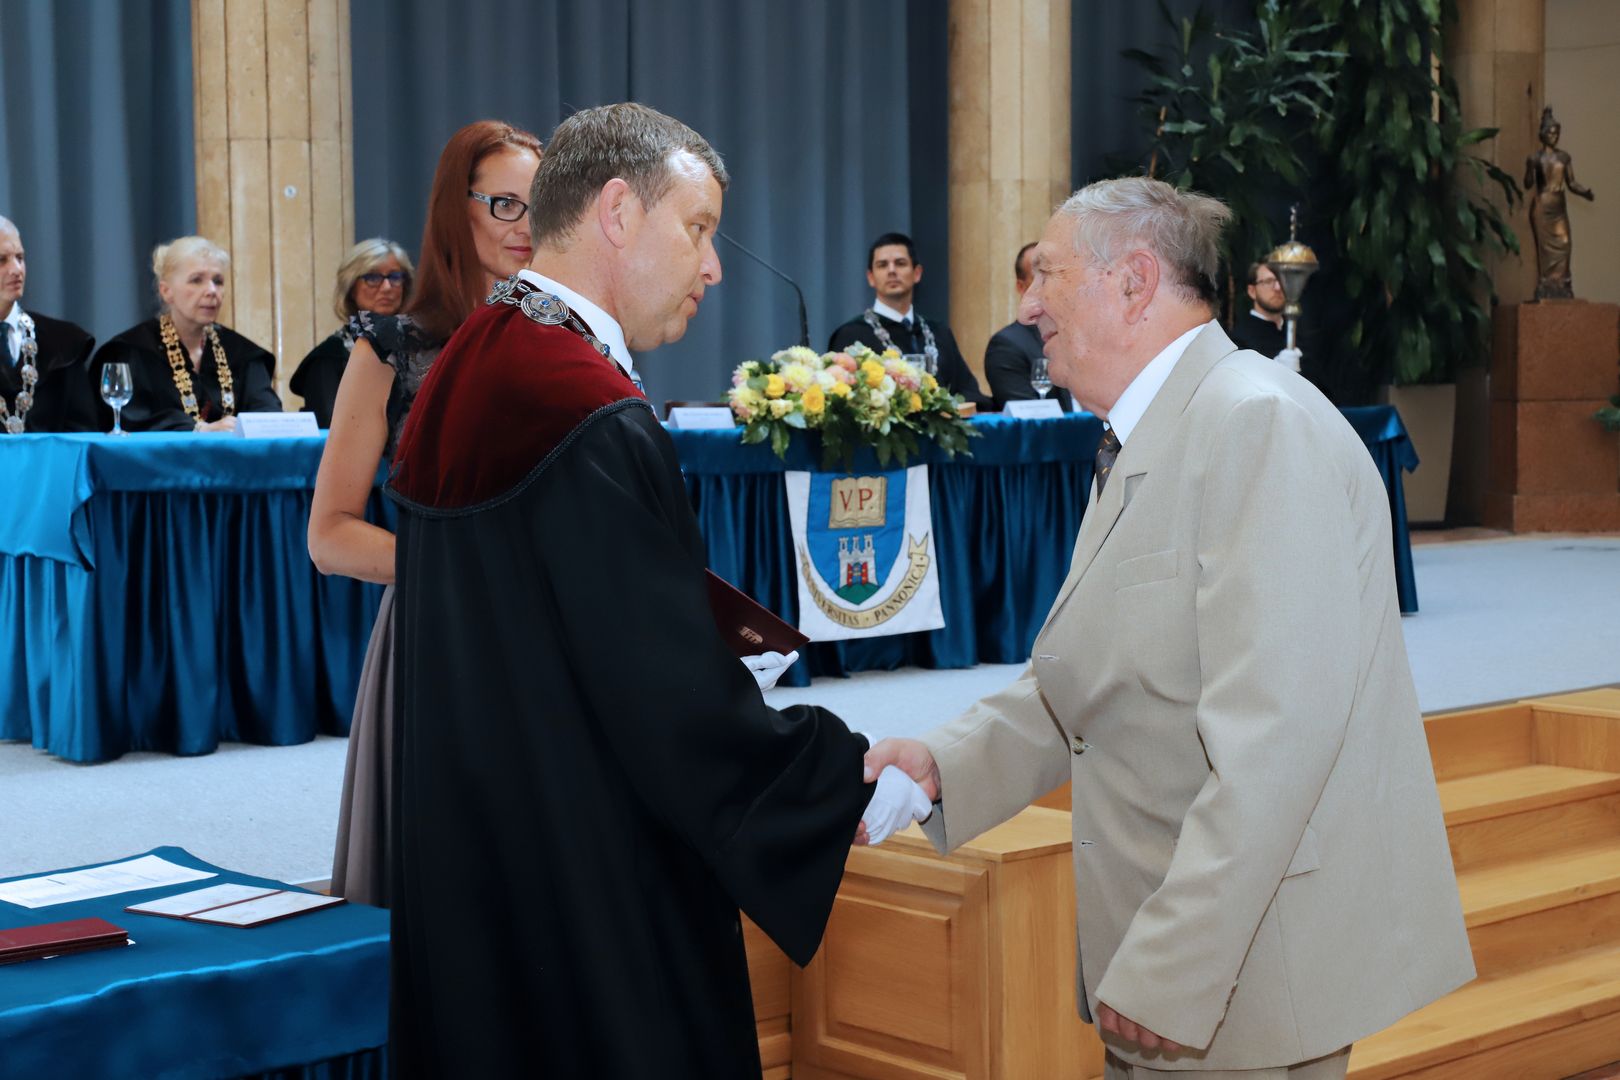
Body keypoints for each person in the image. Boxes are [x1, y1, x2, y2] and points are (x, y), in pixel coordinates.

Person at [864, 177, 1474, 1078]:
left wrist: (1174, 963)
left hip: (1239, 976)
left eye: (1048, 276)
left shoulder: (1254, 425)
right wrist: (944, 763)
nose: (1027, 306)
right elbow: (1100, 672)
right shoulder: (1153, 430)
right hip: (1174, 948)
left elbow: (1275, 736)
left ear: (1134, 281)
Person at [385, 102, 912, 1079]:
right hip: (587, 879)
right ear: (619, 212)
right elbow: (666, 703)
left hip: (479, 851)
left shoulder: (472, 359)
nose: (713, 268)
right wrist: (836, 777)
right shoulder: (581, 404)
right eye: (699, 229)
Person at [308, 120, 542, 908]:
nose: (527, 226)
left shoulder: (573, 341)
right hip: (444, 634)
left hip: (557, 631)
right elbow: (329, 536)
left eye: (543, 205)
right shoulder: (391, 347)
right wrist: (462, 564)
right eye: (505, 203)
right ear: (455, 209)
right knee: (443, 888)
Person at [91, 237, 281, 432]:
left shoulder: (242, 353)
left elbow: (268, 415)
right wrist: (197, 429)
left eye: (218, 281)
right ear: (166, 291)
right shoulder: (131, 351)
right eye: (196, 280)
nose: (211, 291)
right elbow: (129, 419)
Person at [828, 232, 990, 407]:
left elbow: (969, 393)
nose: (892, 271)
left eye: (900, 263)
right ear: (871, 277)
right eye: (882, 265)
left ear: (917, 273)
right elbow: (841, 400)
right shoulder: (851, 335)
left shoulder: (940, 332)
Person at [289, 238, 415, 427]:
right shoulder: (328, 358)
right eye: (373, 278)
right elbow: (332, 427)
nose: (387, 287)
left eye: (395, 277)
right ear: (351, 288)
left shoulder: (422, 349)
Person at [0, 216, 99, 433]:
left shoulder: (63, 342)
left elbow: (83, 432)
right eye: (2, 260)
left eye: (20, 258)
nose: (16, 269)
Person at [984, 240, 1072, 412]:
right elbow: (1030, 416)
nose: (1051, 286)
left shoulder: (1081, 332)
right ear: (1021, 286)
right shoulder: (1006, 345)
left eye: (1056, 276)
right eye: (1039, 278)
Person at [1525, 105, 1595, 300]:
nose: (1554, 136)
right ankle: (1547, 285)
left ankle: (1562, 283)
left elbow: (1571, 183)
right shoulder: (1535, 158)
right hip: (1542, 205)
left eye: (1557, 133)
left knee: (1565, 243)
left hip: (1558, 206)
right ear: (1543, 135)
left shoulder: (1564, 157)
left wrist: (1585, 192)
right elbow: (1528, 183)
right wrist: (1530, 168)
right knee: (1544, 250)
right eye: (1550, 133)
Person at [1226, 260, 1293, 365]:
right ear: (1252, 291)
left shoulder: (1297, 329)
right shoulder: (1239, 340)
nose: (1278, 287)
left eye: (1281, 280)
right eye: (1268, 281)